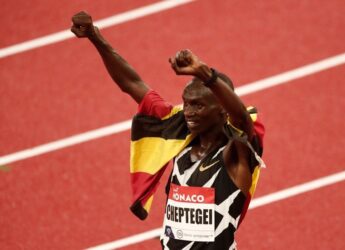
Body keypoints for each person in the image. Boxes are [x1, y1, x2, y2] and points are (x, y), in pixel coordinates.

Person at [71, 11, 265, 250]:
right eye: (187, 102)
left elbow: (243, 121)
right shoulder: (180, 138)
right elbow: (132, 84)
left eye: (198, 105)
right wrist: (95, 36)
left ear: (222, 111)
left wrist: (204, 73)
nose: (188, 111)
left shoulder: (235, 154)